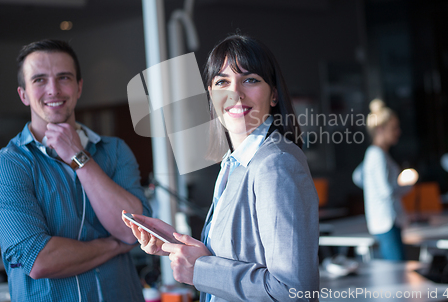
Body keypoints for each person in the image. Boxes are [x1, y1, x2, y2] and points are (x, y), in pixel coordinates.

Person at [123, 34, 319, 301]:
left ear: (274, 95)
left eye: (250, 80)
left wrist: (200, 270)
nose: (235, 93)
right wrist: (178, 245)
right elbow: (239, 256)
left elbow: (294, 293)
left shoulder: (276, 164)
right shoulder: (233, 163)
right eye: (222, 82)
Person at [0, 40, 151, 302]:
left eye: (64, 77)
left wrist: (78, 157)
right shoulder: (9, 164)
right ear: (23, 94)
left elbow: (133, 231)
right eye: (39, 80)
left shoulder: (114, 151)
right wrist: (114, 245)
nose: (53, 90)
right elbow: (39, 259)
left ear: (79, 87)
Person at [353, 99, 416, 261]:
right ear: (380, 129)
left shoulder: (375, 154)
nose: (398, 132)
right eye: (394, 128)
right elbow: (386, 191)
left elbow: (358, 176)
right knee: (398, 272)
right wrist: (407, 185)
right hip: (387, 221)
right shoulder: (377, 155)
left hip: (385, 221)